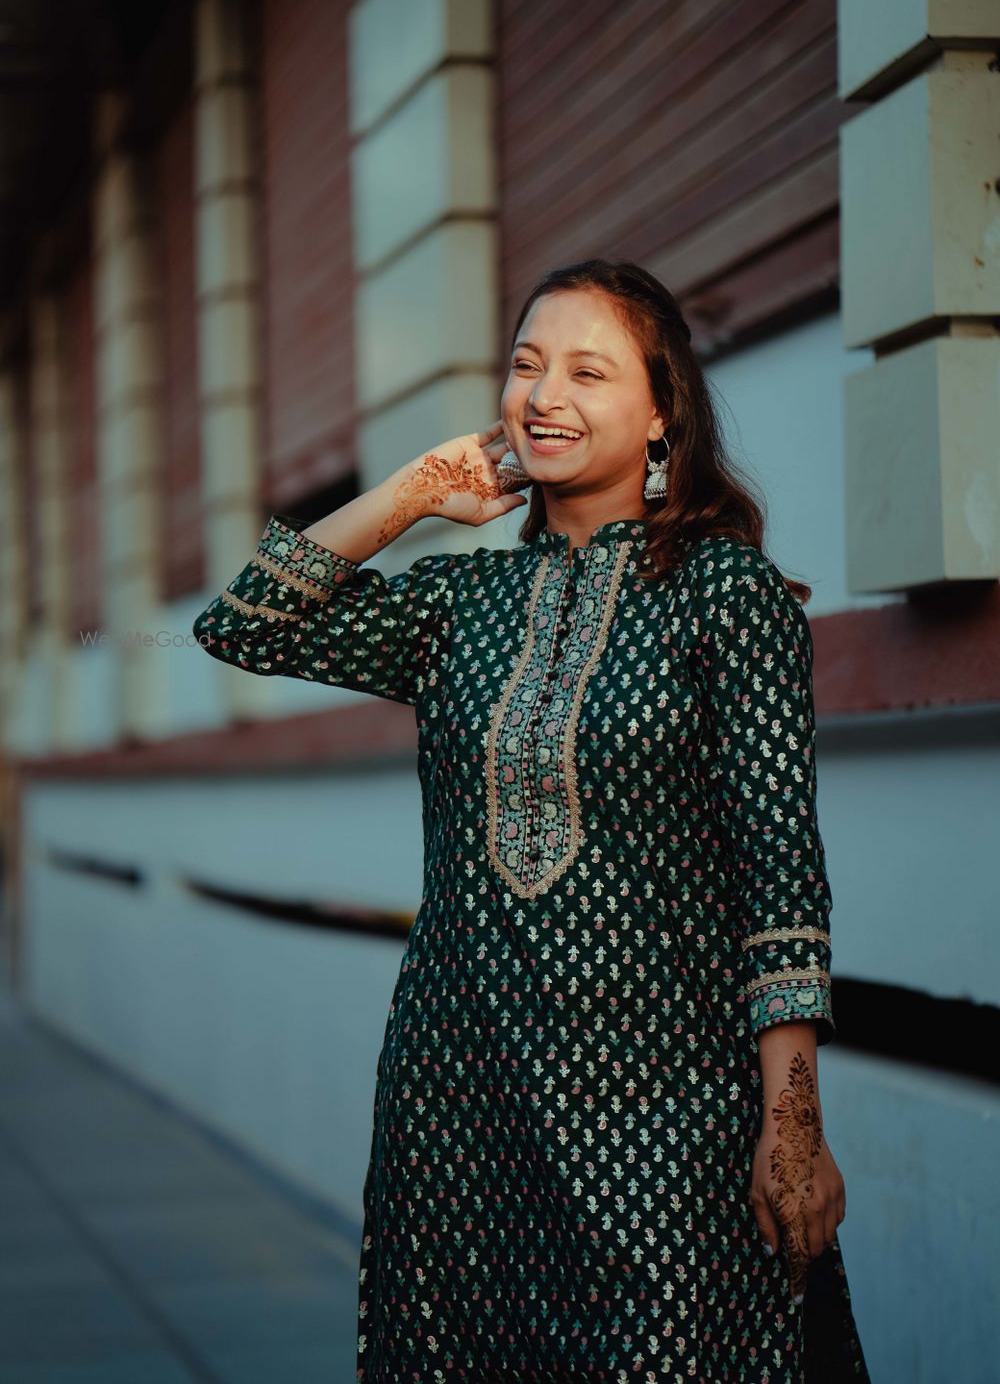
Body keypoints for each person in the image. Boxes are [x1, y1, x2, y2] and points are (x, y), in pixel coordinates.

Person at [192, 258, 870, 1382]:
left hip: (664, 1105)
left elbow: (779, 870)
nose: (542, 394)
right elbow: (245, 625)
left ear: (661, 415)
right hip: (460, 1107)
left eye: (587, 371)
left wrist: (789, 1116)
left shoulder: (724, 596)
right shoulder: (460, 604)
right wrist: (413, 490)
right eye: (524, 365)